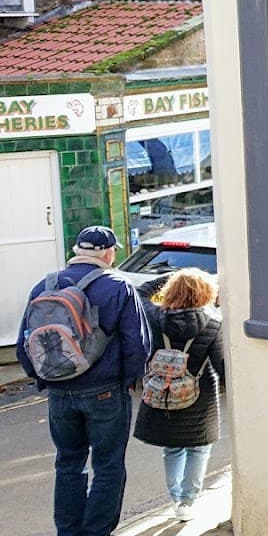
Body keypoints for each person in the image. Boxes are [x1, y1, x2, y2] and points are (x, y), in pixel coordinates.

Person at [16, 225, 151, 536]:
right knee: (108, 465)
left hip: (60, 391)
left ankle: (68, 531)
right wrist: (129, 380)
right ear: (107, 253)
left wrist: (43, 379)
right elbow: (137, 344)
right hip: (104, 391)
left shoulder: (43, 285)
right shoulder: (118, 286)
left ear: (77, 251)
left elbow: (26, 340)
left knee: (68, 464)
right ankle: (96, 532)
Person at [134, 269, 225, 522]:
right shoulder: (212, 323)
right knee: (198, 449)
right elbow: (221, 366)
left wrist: (173, 276)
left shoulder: (153, 317)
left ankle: (174, 498)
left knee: (172, 449)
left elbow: (140, 292)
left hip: (161, 393)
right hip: (199, 396)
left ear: (171, 290)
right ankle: (187, 501)